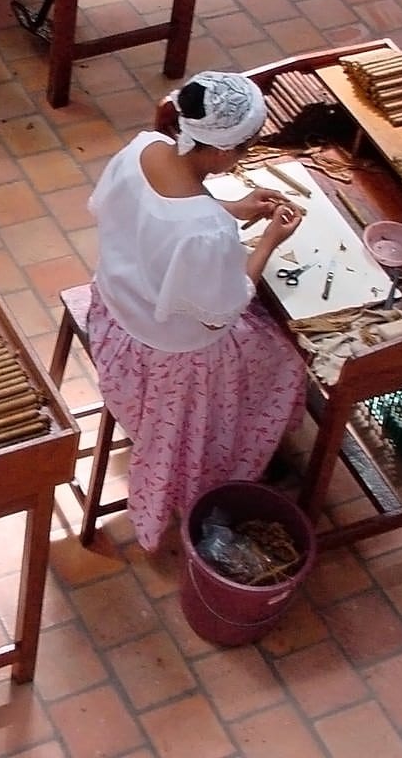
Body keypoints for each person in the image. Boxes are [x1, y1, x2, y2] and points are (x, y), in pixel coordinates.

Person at [87, 71, 307, 551]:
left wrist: (232, 206)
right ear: (226, 151)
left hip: (115, 312)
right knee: (286, 364)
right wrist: (269, 241)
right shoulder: (205, 231)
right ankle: (224, 462)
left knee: (263, 343)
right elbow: (219, 314)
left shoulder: (145, 147)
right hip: (172, 359)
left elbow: (156, 213)